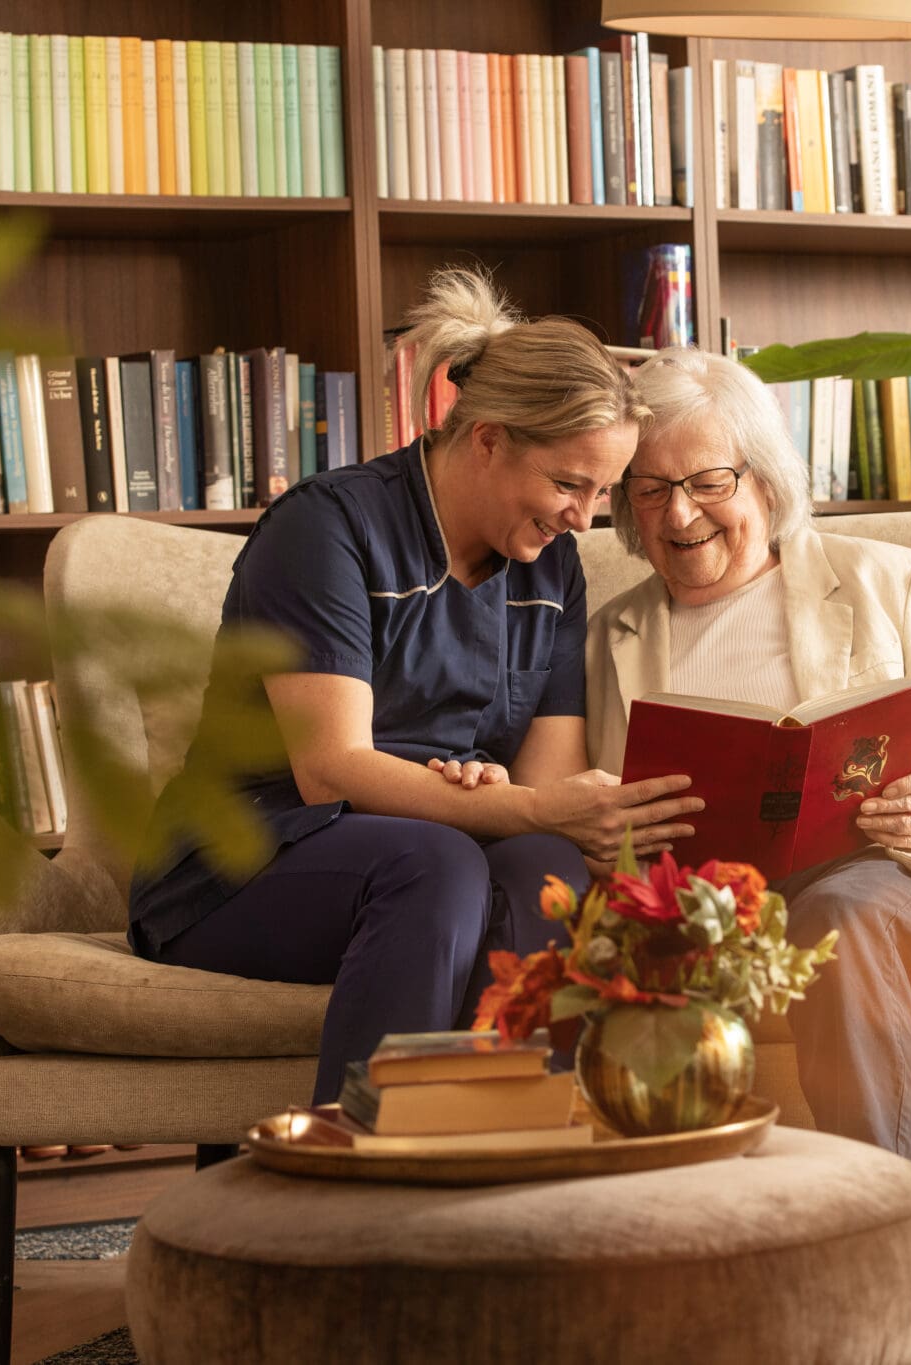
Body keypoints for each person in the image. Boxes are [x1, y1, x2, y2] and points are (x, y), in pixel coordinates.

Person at [129, 270, 704, 1104]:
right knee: (433, 863)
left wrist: (503, 792)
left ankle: (500, 1159)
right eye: (570, 484)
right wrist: (516, 808)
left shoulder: (552, 569)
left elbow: (546, 787)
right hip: (241, 861)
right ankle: (362, 1184)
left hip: (431, 854)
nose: (585, 516)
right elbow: (332, 768)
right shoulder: (328, 529)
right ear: (488, 440)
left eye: (604, 491)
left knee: (548, 868)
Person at [585, 348, 911, 1166]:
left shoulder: (886, 580)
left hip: (874, 867)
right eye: (650, 490)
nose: (680, 515)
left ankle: (887, 1206)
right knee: (631, 945)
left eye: (709, 483)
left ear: (765, 479)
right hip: (702, 888)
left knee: (834, 917)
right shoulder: (608, 634)